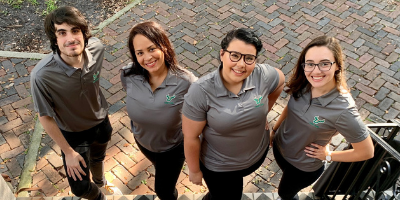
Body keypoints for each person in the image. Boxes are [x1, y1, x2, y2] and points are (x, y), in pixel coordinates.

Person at [181, 28, 285, 200]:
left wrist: (265, 111)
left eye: (249, 58)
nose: (241, 64)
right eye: (235, 55)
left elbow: (280, 81)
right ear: (222, 54)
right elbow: (191, 137)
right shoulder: (200, 91)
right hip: (221, 167)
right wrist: (194, 170)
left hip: (256, 156)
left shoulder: (262, 75)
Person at [271, 36, 375, 200]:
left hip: (302, 168)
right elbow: (289, 108)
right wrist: (275, 130)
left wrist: (329, 156)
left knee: (284, 194)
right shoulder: (304, 82)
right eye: (310, 63)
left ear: (337, 66)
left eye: (325, 63)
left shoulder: (344, 109)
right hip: (279, 148)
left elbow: (367, 151)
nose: (316, 71)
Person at [30, 6, 117, 200]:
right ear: (55, 39)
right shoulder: (42, 76)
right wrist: (68, 152)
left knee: (98, 158)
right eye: (62, 33)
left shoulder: (97, 49)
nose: (71, 39)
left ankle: (101, 181)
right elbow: (45, 117)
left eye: (75, 30)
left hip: (101, 123)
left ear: (84, 33)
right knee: (80, 188)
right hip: (73, 135)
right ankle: (99, 197)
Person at [120, 21, 197, 200]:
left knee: (163, 191)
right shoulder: (128, 75)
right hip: (143, 142)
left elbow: (209, 104)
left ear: (164, 46)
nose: (147, 58)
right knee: (160, 172)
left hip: (173, 149)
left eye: (152, 48)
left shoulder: (186, 81)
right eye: (140, 53)